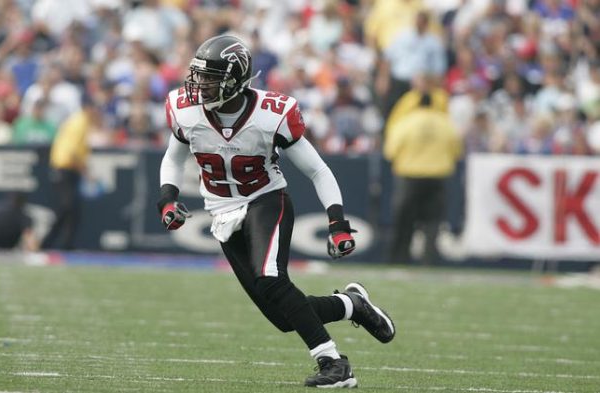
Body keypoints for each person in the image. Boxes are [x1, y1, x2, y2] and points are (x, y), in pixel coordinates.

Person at [158, 35, 395, 388]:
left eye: (210, 78)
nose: (199, 86)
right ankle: (351, 305)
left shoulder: (271, 115)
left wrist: (337, 222)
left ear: (235, 80)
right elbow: (173, 158)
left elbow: (318, 170)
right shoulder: (184, 108)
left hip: (267, 200)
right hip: (223, 212)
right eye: (199, 76)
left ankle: (333, 363)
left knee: (272, 278)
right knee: (284, 316)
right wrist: (167, 199)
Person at [384, 93, 462, 265]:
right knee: (433, 222)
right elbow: (457, 150)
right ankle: (428, 260)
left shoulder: (405, 122)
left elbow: (390, 150)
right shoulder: (445, 123)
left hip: (409, 175)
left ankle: (399, 259)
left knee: (404, 220)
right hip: (437, 176)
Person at [41, 95, 99, 250]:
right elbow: (71, 153)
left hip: (68, 170)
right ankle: (48, 243)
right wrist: (86, 172)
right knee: (67, 207)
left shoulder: (81, 122)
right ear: (88, 108)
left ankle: (65, 244)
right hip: (64, 169)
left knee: (72, 209)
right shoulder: (79, 123)